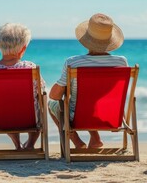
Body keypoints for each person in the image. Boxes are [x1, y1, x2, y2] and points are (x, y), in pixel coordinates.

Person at [48, 13, 128, 149]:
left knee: (52, 105)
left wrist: (64, 89)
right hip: (111, 116)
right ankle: (95, 139)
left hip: (80, 116)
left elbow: (54, 96)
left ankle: (78, 143)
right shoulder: (121, 62)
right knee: (94, 100)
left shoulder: (73, 62)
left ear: (87, 38)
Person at [0, 22, 45, 150]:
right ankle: (30, 145)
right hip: (29, 119)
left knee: (6, 105)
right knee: (40, 102)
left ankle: (17, 145)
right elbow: (41, 90)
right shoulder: (30, 68)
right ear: (23, 49)